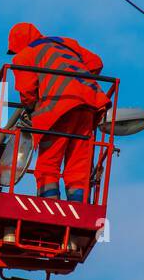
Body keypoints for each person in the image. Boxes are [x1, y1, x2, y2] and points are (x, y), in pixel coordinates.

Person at [6, 22, 108, 202]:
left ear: (17, 45)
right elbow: (96, 62)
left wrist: (31, 108)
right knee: (79, 163)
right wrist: (74, 78)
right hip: (88, 103)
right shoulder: (66, 43)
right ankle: (79, 205)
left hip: (57, 108)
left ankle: (49, 204)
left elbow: (27, 91)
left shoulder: (24, 56)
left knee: (48, 163)